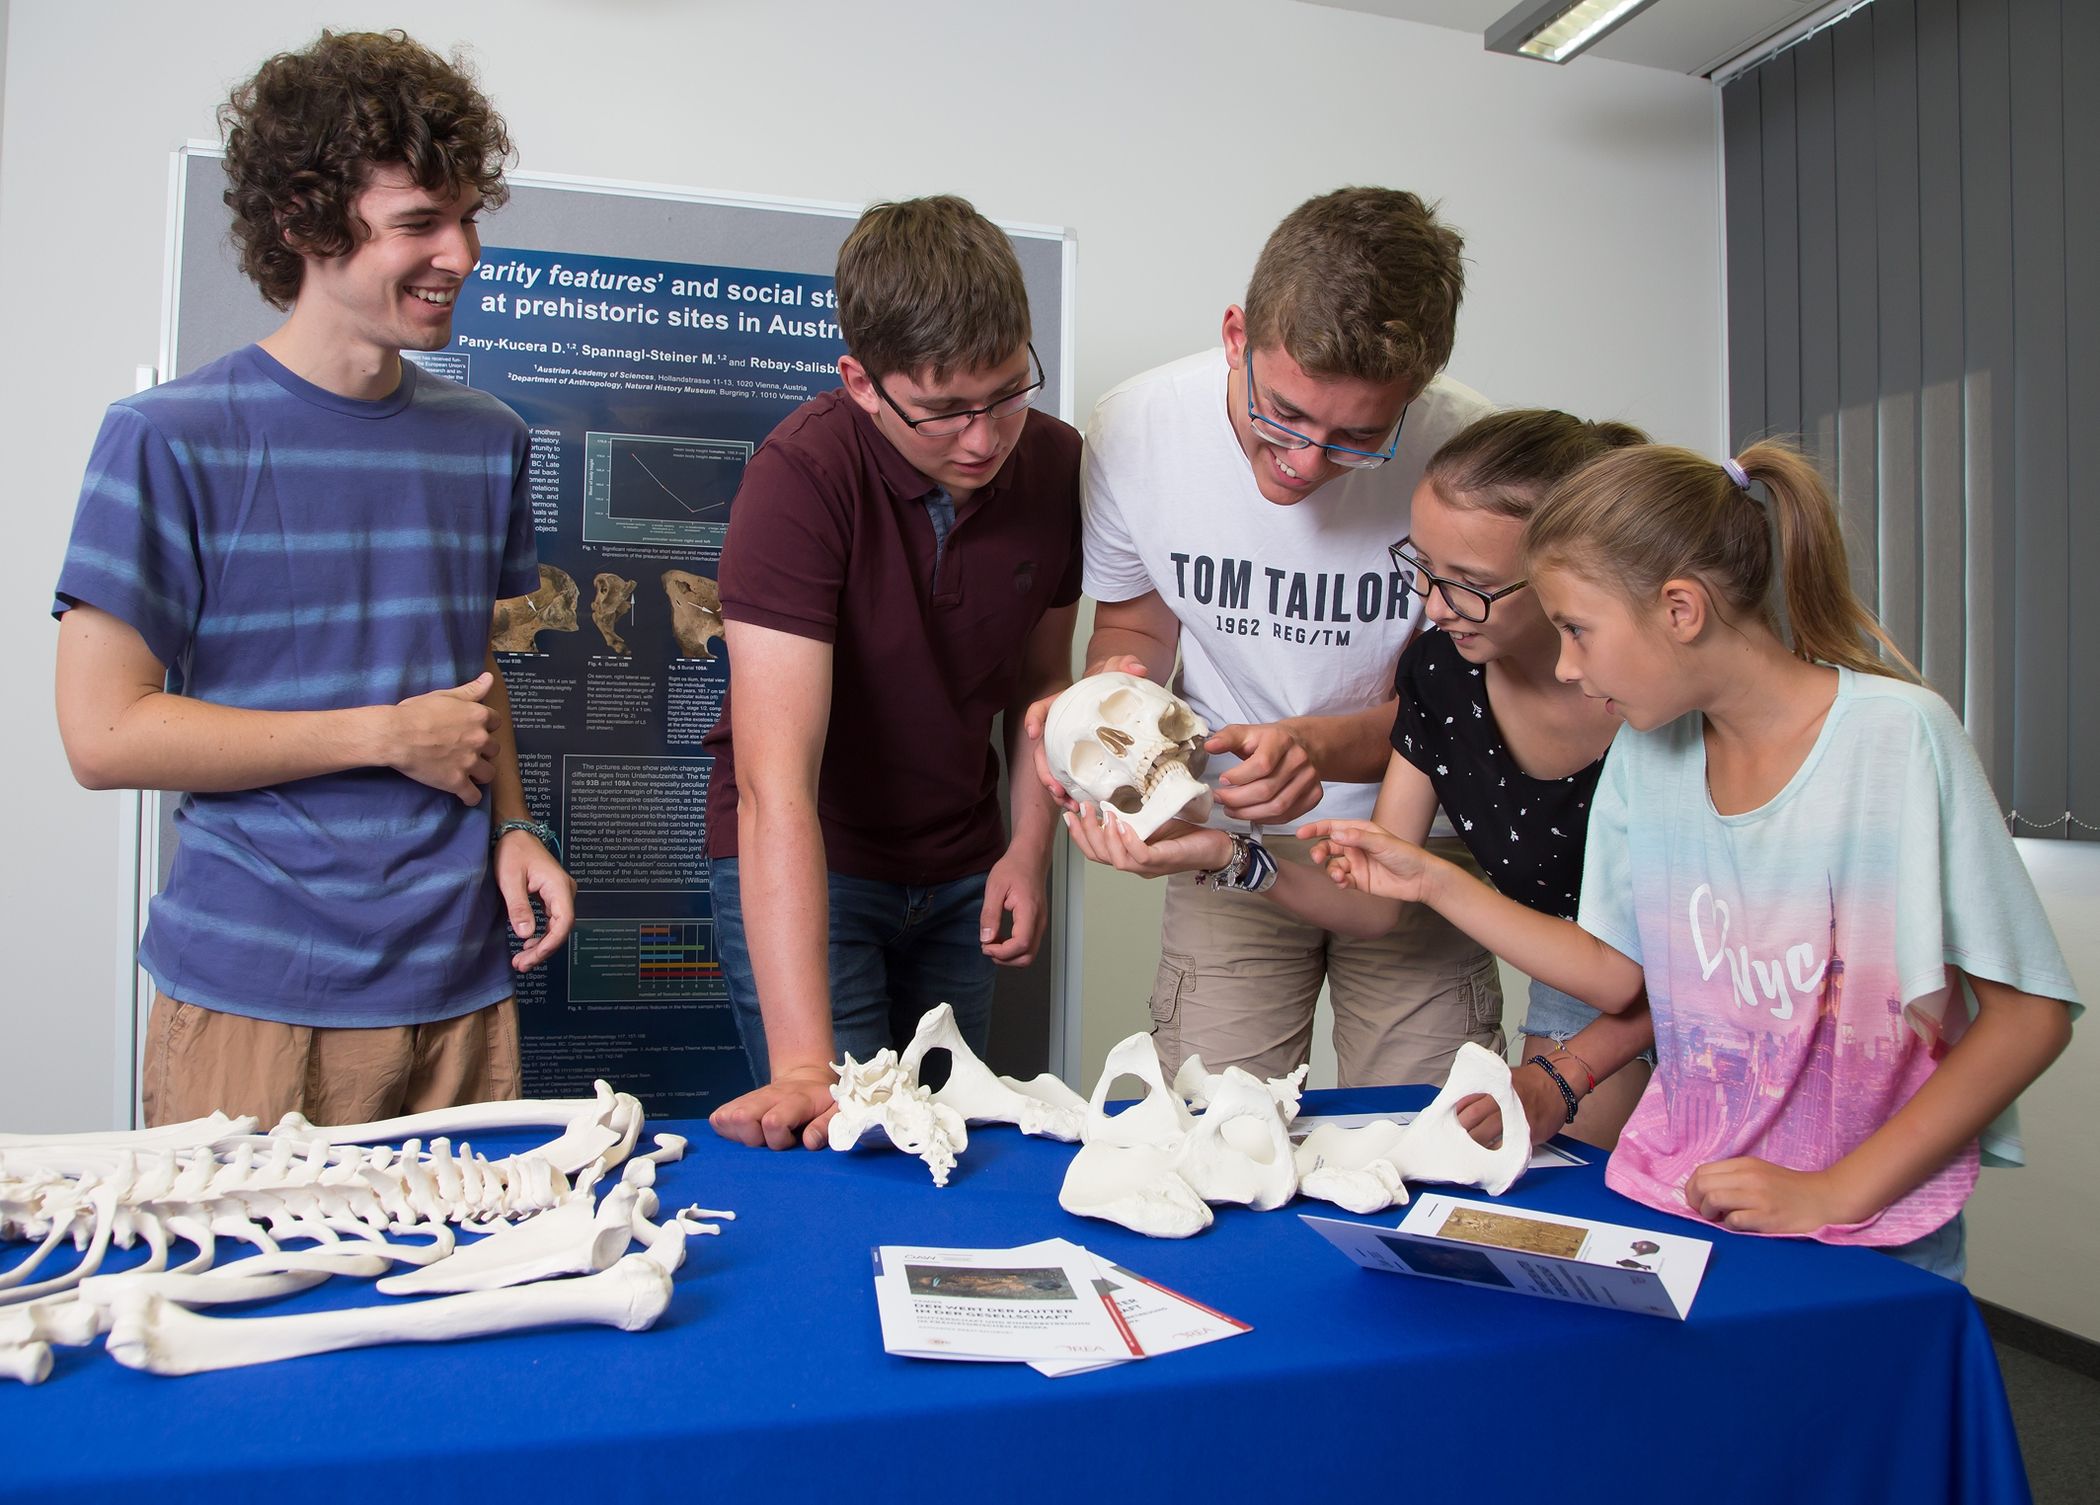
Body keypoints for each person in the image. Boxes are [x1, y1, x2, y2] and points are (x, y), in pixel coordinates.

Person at [1308, 441, 2079, 1277]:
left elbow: (2027, 1016)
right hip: (1682, 1197)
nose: (1566, 665)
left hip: (1863, 1228)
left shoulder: (1899, 738)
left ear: (1681, 608)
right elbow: (1612, 973)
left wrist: (1838, 1191)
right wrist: (1431, 879)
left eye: (1577, 630)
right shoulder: (1649, 751)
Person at [52, 30, 574, 1127]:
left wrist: (517, 826)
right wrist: (382, 733)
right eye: (420, 223)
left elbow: (469, 667)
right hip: (253, 1001)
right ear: (303, 224)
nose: (463, 254)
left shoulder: (487, 437)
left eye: (469, 215)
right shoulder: (164, 437)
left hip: (460, 987)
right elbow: (104, 736)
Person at [1067, 410, 1655, 1147]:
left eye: (1469, 584)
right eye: (1425, 570)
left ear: (1568, 577)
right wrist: (1222, 853)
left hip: (1711, 974)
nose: (1434, 608)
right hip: (1589, 980)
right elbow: (1377, 903)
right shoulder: (1443, 673)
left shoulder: (1648, 697)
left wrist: (1436, 881)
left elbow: (1650, 972)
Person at [1034, 186, 1501, 1090]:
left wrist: (1318, 746)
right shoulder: (1137, 428)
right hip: (1228, 827)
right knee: (1213, 1136)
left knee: (1427, 1140)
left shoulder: (1467, 452)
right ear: (1237, 337)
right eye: (1283, 414)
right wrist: (1107, 712)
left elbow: (1463, 696)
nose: (1304, 462)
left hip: (1420, 842)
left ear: (1418, 393)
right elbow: (1135, 623)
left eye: (1358, 439)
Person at [704, 196, 1081, 1152]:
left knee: (961, 1142)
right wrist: (801, 1065)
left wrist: (1027, 851)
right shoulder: (801, 478)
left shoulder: (1055, 465)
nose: (984, 438)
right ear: (862, 383)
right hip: (818, 860)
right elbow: (772, 786)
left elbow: (1042, 693)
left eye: (1006, 392)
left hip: (963, 863)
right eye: (945, 410)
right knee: (849, 1145)